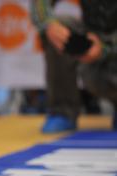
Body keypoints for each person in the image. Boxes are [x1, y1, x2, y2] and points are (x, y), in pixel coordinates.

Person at [31, 0, 117, 133]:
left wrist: (106, 48)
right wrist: (48, 23)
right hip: (93, 39)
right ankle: (62, 111)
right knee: (61, 29)